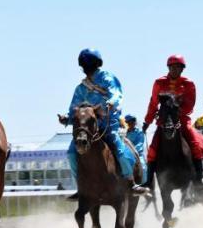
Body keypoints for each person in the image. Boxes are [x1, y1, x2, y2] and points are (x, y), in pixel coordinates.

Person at [58, 49, 143, 200]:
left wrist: (111, 102)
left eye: (89, 64)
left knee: (120, 150)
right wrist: (67, 118)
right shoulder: (80, 88)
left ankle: (130, 182)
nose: (86, 67)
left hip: (108, 125)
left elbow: (116, 94)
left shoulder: (107, 78)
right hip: (88, 129)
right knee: (71, 153)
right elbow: (74, 109)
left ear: (97, 64)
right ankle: (81, 187)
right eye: (84, 65)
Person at [142, 55, 203, 189]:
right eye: (172, 67)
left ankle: (200, 178)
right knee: (152, 150)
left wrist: (176, 113)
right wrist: (147, 121)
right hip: (163, 121)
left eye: (178, 67)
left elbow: (190, 105)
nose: (175, 69)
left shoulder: (188, 84)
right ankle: (149, 182)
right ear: (168, 68)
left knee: (196, 146)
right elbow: (153, 103)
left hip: (181, 119)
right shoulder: (159, 83)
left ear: (182, 69)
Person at [123, 115, 148, 185]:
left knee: (143, 167)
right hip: (127, 154)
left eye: (133, 121)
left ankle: (144, 184)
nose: (131, 123)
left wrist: (132, 151)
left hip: (138, 154)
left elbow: (140, 143)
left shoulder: (140, 132)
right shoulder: (125, 133)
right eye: (129, 122)